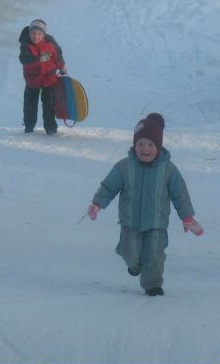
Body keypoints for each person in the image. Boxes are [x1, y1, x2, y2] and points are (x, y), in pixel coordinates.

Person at [86, 113, 203, 296]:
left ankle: (152, 285)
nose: (145, 149)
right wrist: (97, 204)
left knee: (155, 256)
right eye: (140, 144)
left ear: (158, 146)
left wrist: (187, 217)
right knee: (130, 253)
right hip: (130, 222)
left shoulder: (168, 170)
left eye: (150, 144)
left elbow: (180, 194)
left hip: (157, 223)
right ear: (134, 145)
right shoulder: (124, 167)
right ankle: (134, 264)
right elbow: (109, 187)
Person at [18, 19, 66, 134]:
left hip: (49, 79)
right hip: (32, 80)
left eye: (39, 34)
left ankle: (50, 128)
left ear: (43, 35)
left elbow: (57, 55)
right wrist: (38, 59)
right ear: (29, 34)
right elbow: (23, 59)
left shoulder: (50, 43)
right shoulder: (26, 44)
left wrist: (62, 67)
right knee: (30, 105)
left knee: (49, 104)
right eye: (33, 33)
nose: (36, 36)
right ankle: (29, 126)